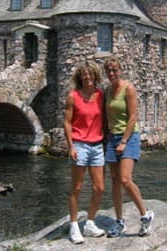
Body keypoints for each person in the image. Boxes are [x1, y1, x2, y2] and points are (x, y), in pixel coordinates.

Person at [103, 56, 154, 238]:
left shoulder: (129, 89)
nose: (111, 73)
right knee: (115, 181)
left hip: (129, 137)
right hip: (112, 138)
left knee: (125, 179)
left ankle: (146, 215)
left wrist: (124, 141)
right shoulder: (107, 90)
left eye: (114, 70)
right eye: (108, 71)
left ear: (120, 70)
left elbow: (133, 117)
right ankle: (119, 222)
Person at [63, 61, 106, 244]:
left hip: (97, 146)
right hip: (79, 144)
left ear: (96, 76)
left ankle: (89, 222)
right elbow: (67, 122)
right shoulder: (73, 96)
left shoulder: (100, 95)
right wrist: (71, 146)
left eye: (90, 74)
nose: (87, 77)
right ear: (80, 77)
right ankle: (74, 225)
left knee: (99, 188)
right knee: (77, 187)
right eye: (84, 75)